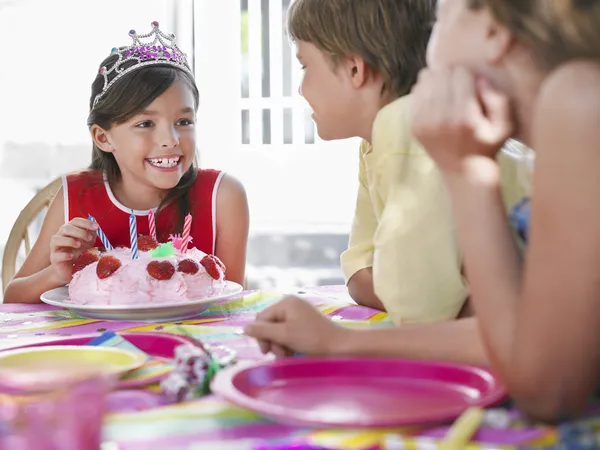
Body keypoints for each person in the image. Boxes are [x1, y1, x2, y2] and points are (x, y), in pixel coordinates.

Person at [247, 0, 600, 422]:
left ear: (493, 31)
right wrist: (336, 341)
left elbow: (547, 389)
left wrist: (466, 169)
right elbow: (538, 343)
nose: (424, 47)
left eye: (444, 14)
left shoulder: (579, 97)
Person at [4, 22, 249, 304]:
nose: (170, 139)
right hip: (94, 345)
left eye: (183, 121)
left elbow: (231, 302)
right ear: (103, 137)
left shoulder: (223, 196)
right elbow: (13, 299)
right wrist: (57, 273)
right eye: (146, 123)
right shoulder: (75, 197)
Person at [290, 0, 476, 324]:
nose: (301, 88)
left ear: (354, 69)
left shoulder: (411, 131)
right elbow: (359, 270)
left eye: (305, 66)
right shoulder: (375, 142)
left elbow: (423, 311)